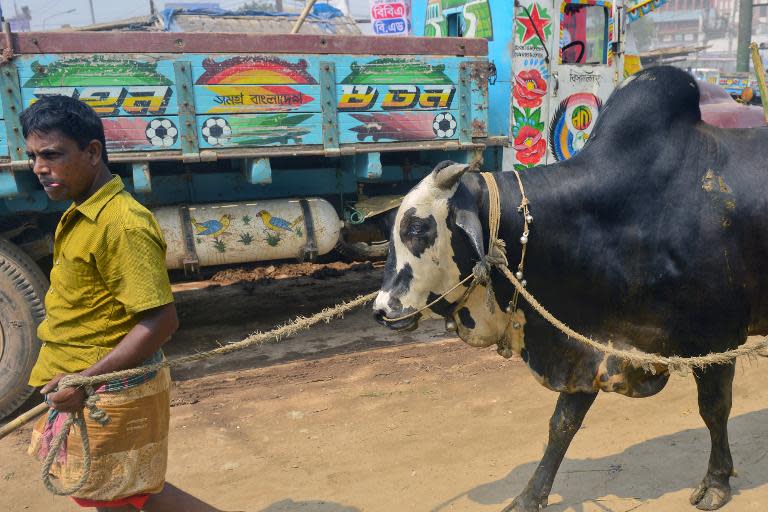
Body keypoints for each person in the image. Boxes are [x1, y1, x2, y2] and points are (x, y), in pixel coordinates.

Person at [23, 95, 226, 512]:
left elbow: (161, 320)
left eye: (51, 154)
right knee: (128, 493)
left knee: (121, 494)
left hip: (106, 391)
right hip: (85, 385)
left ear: (93, 152)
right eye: (32, 156)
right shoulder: (79, 211)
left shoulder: (122, 223)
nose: (39, 168)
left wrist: (87, 381)